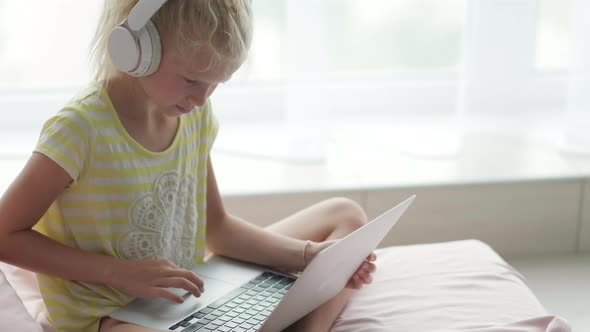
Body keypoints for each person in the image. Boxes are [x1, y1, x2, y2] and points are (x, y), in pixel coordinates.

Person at [0, 1, 376, 331]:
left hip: (190, 294)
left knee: (346, 215)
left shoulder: (192, 114)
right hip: (112, 315)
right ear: (137, 48)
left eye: (216, 83)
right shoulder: (80, 129)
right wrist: (119, 274)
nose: (201, 98)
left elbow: (217, 229)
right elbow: (5, 234)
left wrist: (311, 256)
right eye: (192, 80)